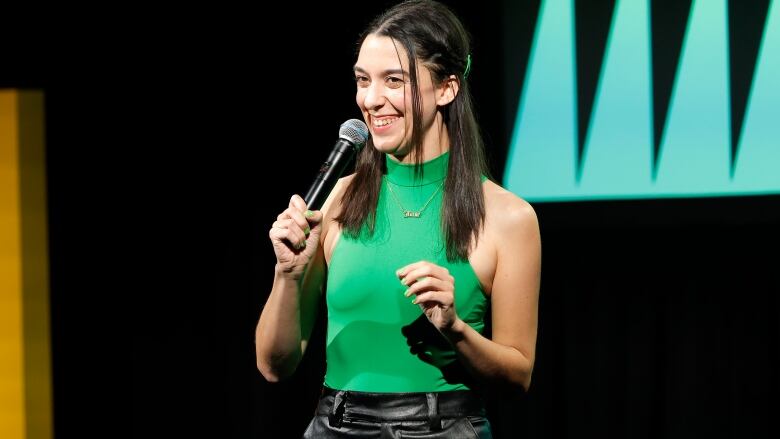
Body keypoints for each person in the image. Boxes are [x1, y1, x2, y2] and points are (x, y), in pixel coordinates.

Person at [255, 1, 541, 437]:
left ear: (446, 88)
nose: (371, 100)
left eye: (394, 81)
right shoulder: (340, 197)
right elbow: (274, 365)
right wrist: (287, 274)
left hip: (444, 427)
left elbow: (517, 378)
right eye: (362, 80)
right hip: (335, 425)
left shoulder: (508, 217)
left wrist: (455, 328)